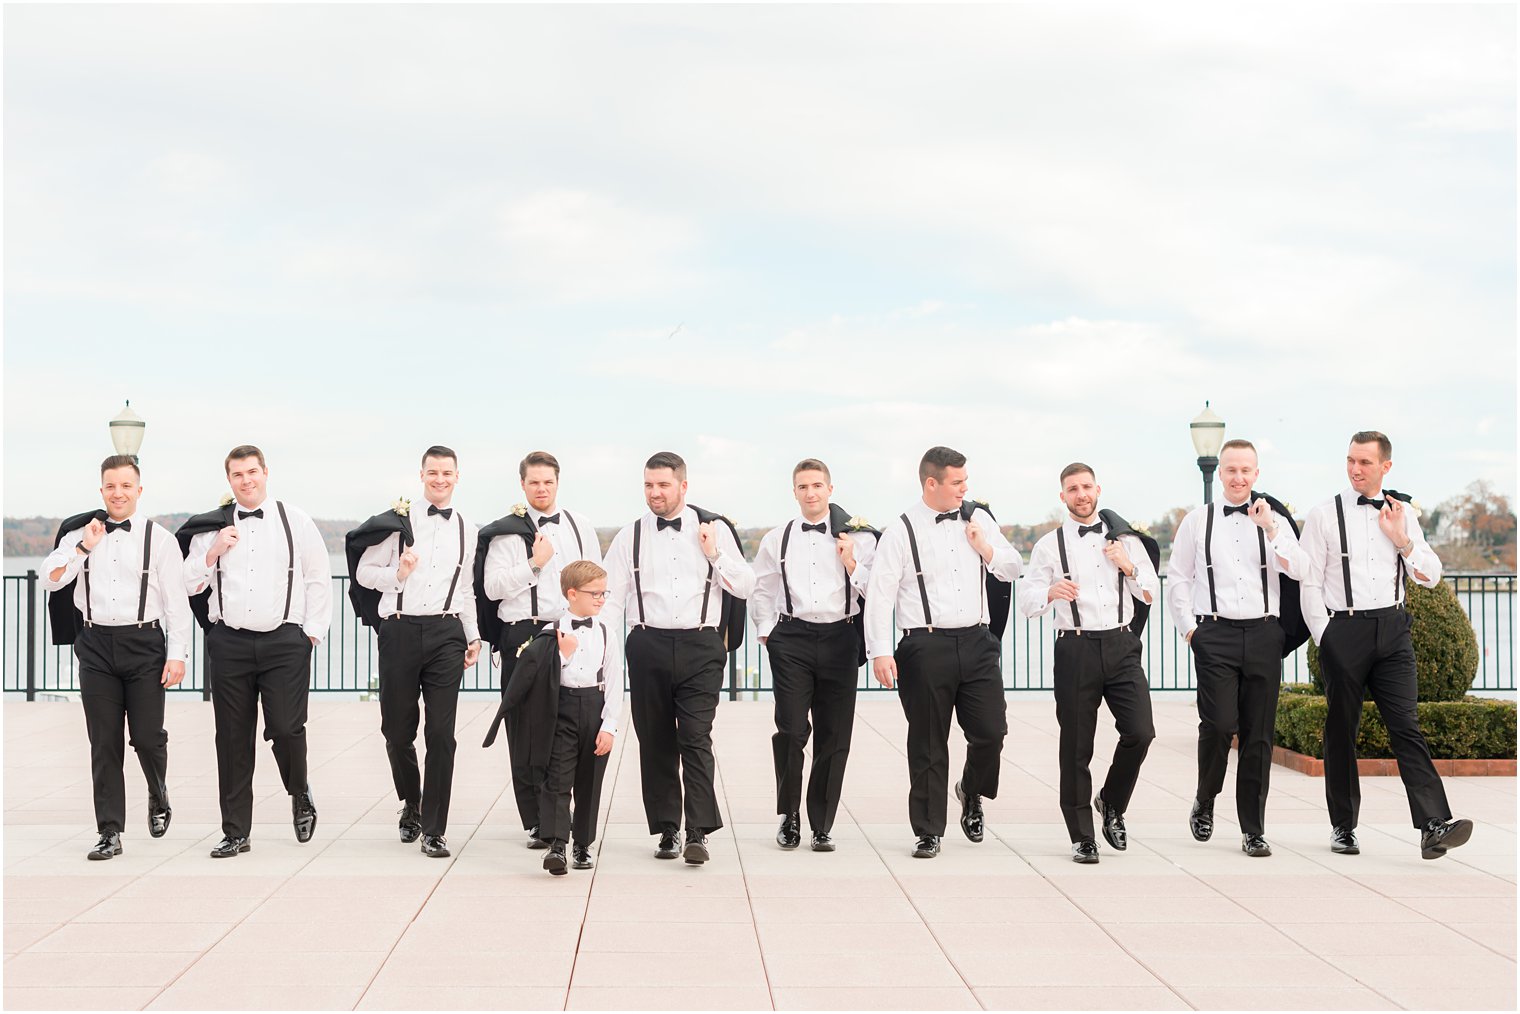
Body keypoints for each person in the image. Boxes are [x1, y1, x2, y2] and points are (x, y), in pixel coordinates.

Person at [1299, 430, 1473, 860]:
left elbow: (1430, 575)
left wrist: (1403, 540)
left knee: (1406, 727)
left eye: (1365, 462)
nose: (1356, 469)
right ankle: (1343, 826)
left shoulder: (1402, 513)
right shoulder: (1323, 515)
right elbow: (1310, 581)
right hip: (1345, 630)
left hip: (1394, 631)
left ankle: (1433, 824)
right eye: (1351, 461)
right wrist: (1326, 638)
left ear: (1385, 467)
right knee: (1341, 731)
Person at [864, 446, 1023, 859]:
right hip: (923, 644)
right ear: (931, 483)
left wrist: (985, 546)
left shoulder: (978, 517)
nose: (964, 489)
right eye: (957, 482)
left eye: (965, 481)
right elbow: (880, 595)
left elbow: (1011, 567)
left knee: (991, 732)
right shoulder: (899, 530)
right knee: (928, 743)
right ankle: (928, 830)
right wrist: (881, 652)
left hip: (977, 641)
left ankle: (971, 791)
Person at [179, 444, 332, 858]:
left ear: (266, 472)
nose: (246, 480)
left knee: (285, 728)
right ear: (228, 480)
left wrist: (311, 634)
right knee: (231, 739)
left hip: (285, 642)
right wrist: (212, 552)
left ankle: (299, 791)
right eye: (237, 475)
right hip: (229, 642)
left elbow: (319, 578)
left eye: (252, 472)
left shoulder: (295, 520)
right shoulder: (213, 527)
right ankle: (236, 832)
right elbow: (189, 584)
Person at [601, 451, 754, 864]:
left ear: (683, 486)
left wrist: (715, 555)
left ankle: (698, 832)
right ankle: (667, 830)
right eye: (649, 485)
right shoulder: (628, 536)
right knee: (655, 742)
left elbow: (745, 585)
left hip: (701, 645)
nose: (655, 492)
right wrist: (599, 645)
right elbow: (612, 599)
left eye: (663, 485)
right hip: (646, 644)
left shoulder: (714, 528)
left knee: (695, 737)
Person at [41, 455, 192, 860]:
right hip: (94, 646)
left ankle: (158, 792)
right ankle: (109, 831)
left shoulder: (159, 539)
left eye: (126, 486)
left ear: (138, 491)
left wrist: (177, 654)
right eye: (111, 485)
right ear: (102, 490)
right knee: (104, 742)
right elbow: (48, 579)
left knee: (146, 737)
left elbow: (177, 603)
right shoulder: (78, 533)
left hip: (144, 645)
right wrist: (82, 548)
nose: (118, 493)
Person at [1166, 439, 1306, 858]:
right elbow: (1179, 578)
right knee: (1218, 725)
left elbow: (1301, 569)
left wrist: (1272, 530)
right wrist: (1191, 631)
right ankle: (1206, 797)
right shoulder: (1196, 521)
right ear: (1220, 473)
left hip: (1265, 635)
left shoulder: (1277, 519)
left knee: (1258, 736)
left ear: (1256, 474)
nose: (1238, 477)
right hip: (1215, 636)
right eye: (1231, 470)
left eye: (1246, 470)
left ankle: (1253, 829)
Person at [1017, 462, 1158, 864]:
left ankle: (1111, 802)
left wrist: (1128, 566)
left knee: (1141, 732)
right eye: (1072, 489)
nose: (1081, 494)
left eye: (1086, 487)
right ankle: (1081, 836)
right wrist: (1049, 591)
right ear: (1063, 497)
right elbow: (1026, 603)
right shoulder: (1048, 546)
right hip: (1074, 649)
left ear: (1098, 490)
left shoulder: (1126, 541)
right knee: (1077, 745)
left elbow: (1148, 594)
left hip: (1121, 644)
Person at [350, 445, 481, 858]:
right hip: (400, 632)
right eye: (432, 472)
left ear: (457, 476)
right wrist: (398, 574)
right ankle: (412, 801)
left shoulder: (468, 529)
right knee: (397, 730)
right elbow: (363, 573)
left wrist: (473, 636)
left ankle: (434, 828)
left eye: (447, 473)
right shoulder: (398, 523)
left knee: (441, 734)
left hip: (447, 633)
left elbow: (466, 589)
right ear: (421, 475)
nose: (439, 479)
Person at [478, 451, 601, 848]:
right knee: (525, 731)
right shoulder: (505, 533)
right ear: (522, 485)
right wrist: (534, 564)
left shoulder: (580, 526)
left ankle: (564, 818)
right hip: (523, 638)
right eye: (534, 482)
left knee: (565, 727)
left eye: (547, 481)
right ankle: (536, 822)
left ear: (557, 482)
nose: (541, 488)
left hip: (568, 632)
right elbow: (492, 588)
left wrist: (592, 634)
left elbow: (596, 581)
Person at [752, 458, 877, 852]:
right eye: (804, 487)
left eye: (817, 486)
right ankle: (789, 817)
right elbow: (762, 590)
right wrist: (767, 632)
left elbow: (877, 590)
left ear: (830, 490)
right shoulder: (777, 538)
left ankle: (821, 824)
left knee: (834, 735)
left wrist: (852, 562)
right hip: (791, 638)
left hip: (841, 638)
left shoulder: (859, 537)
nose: (811, 493)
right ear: (795, 492)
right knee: (790, 730)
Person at [487, 560, 622, 875]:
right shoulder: (550, 633)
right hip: (560, 710)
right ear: (572, 594)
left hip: (594, 706)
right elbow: (537, 680)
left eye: (604, 593)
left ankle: (583, 845)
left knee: (590, 782)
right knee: (557, 780)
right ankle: (557, 845)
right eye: (595, 593)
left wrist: (610, 726)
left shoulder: (607, 633)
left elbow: (615, 682)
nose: (602, 599)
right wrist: (564, 655)